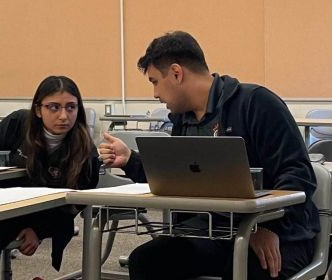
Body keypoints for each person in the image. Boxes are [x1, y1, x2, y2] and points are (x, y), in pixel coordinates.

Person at [99, 31, 319, 280]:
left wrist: (267, 226)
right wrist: (131, 160)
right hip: (216, 233)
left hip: (280, 233)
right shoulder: (185, 122)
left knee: (246, 269)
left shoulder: (256, 104)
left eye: (154, 81)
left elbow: (298, 174)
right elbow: (175, 178)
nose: (154, 94)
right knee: (146, 261)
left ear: (176, 73)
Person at [0, 75, 101, 280]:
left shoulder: (85, 151)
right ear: (38, 110)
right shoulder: (19, 123)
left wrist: (39, 231)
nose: (64, 116)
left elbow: (76, 204)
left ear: (78, 109)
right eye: (54, 107)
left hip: (40, 215)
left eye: (71, 107)